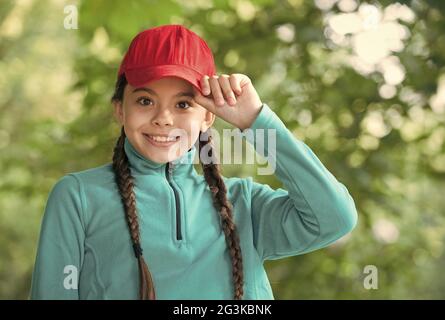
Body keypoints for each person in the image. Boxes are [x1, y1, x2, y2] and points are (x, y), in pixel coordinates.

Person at [30, 24, 358, 300]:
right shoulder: (78, 197)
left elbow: (335, 218)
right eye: (145, 100)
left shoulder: (245, 205)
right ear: (120, 109)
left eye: (184, 104)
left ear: (208, 116)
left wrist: (256, 121)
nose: (163, 118)